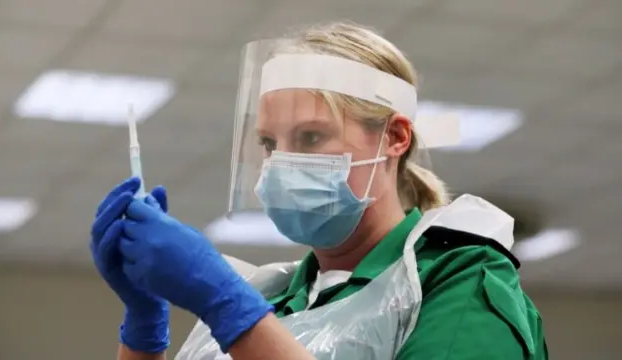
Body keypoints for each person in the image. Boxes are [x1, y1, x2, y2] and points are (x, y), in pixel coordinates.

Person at [90, 22, 548, 360]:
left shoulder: (457, 282)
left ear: (394, 138)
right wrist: (144, 329)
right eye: (270, 144)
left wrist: (227, 306)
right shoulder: (274, 296)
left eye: (310, 138)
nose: (280, 164)